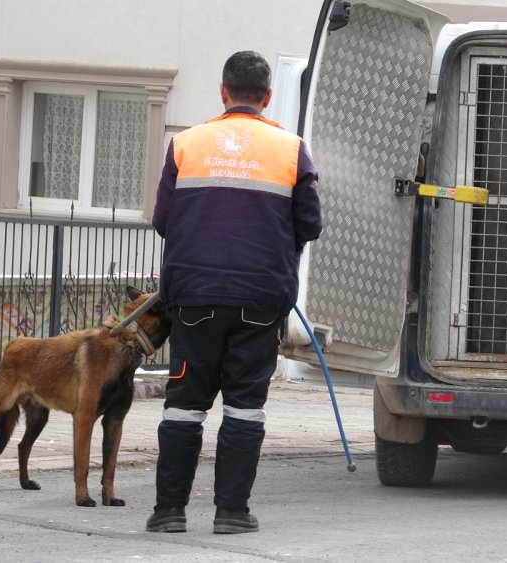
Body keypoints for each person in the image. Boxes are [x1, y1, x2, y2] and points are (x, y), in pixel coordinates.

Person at [147, 50, 323, 533]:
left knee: (184, 405)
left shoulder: (185, 144)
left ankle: (169, 512)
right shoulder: (291, 149)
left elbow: (163, 221)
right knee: (245, 406)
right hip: (260, 300)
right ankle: (231, 512)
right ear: (267, 97)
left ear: (223, 92)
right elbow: (311, 224)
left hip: (194, 298)